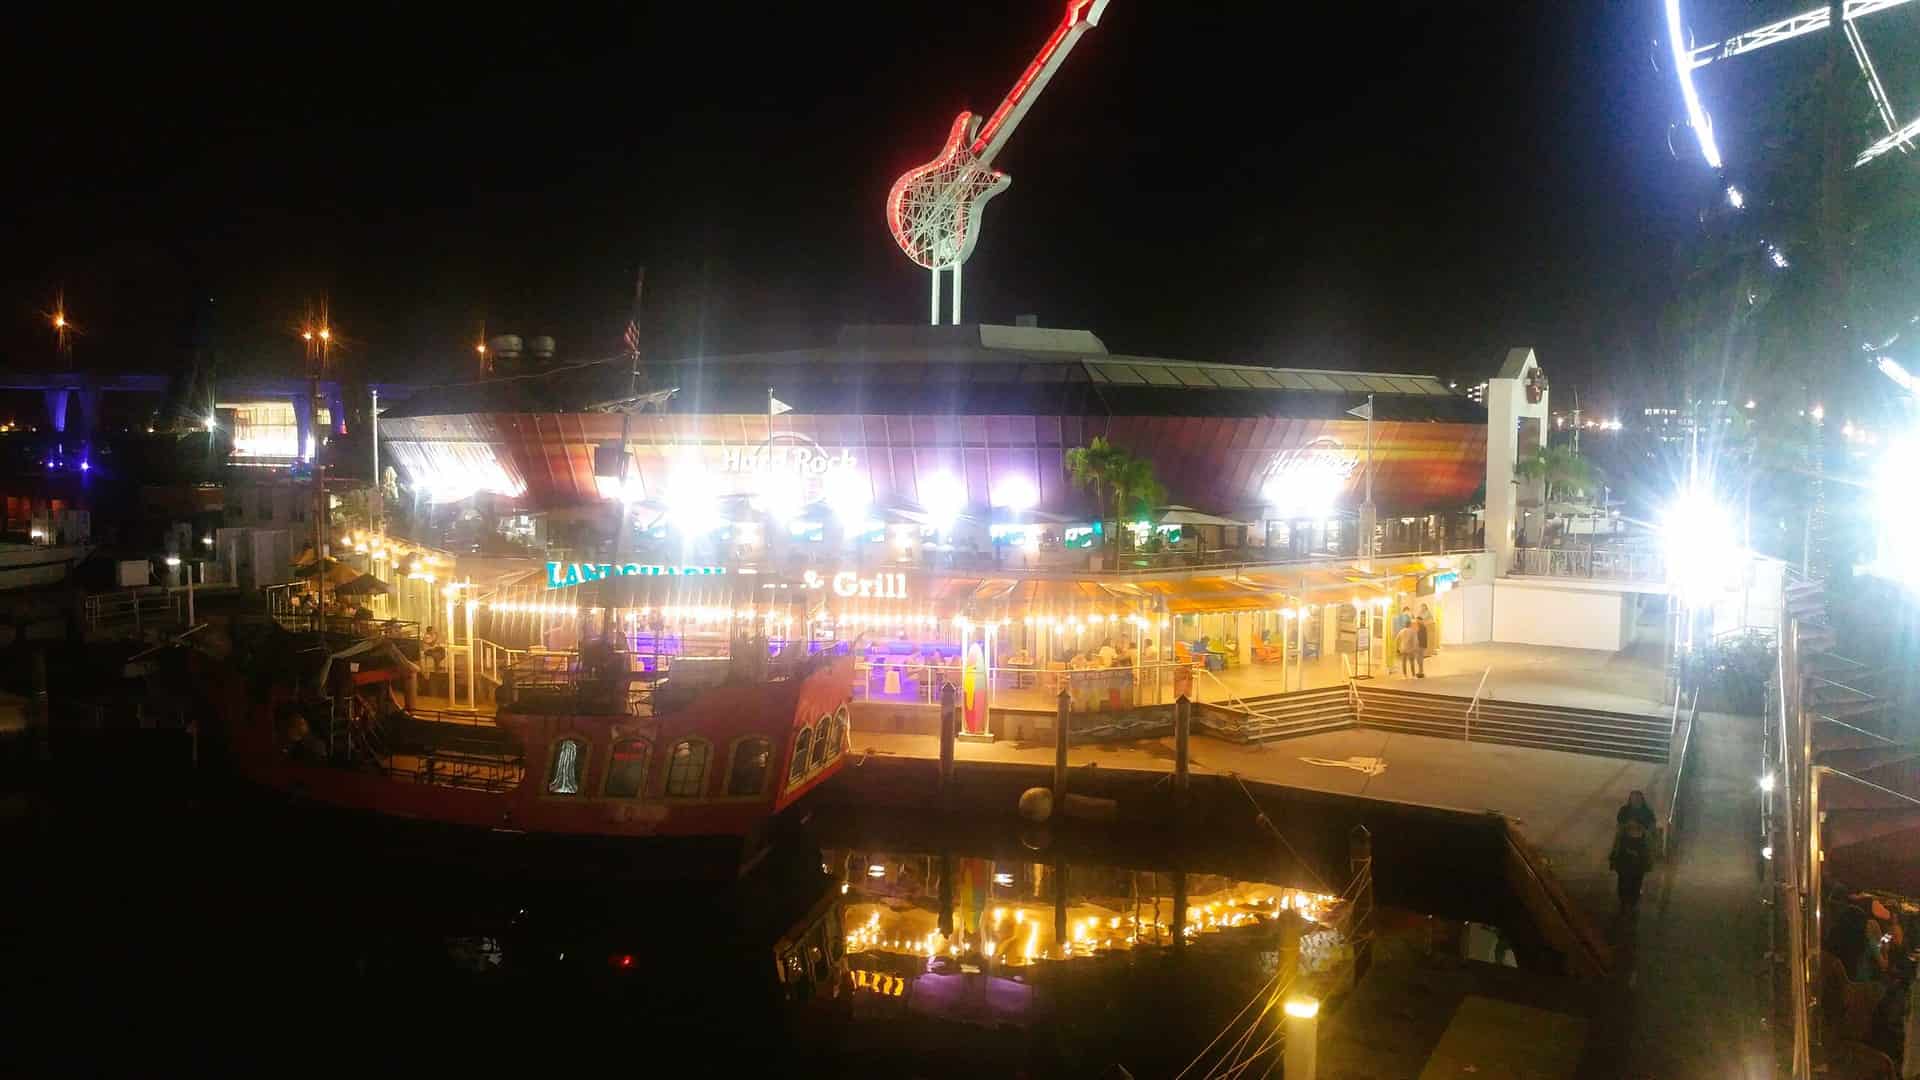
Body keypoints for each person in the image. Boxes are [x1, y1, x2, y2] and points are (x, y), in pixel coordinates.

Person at [1610, 791, 1656, 912]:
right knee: (1623, 875)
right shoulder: (1624, 811)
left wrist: (1641, 829)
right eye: (1633, 799)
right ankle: (1623, 900)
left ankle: (1633, 900)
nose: (1635, 801)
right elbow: (1620, 825)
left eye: (1638, 799)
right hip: (1625, 846)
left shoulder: (1647, 813)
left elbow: (1651, 827)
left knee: (1637, 876)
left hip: (1640, 847)